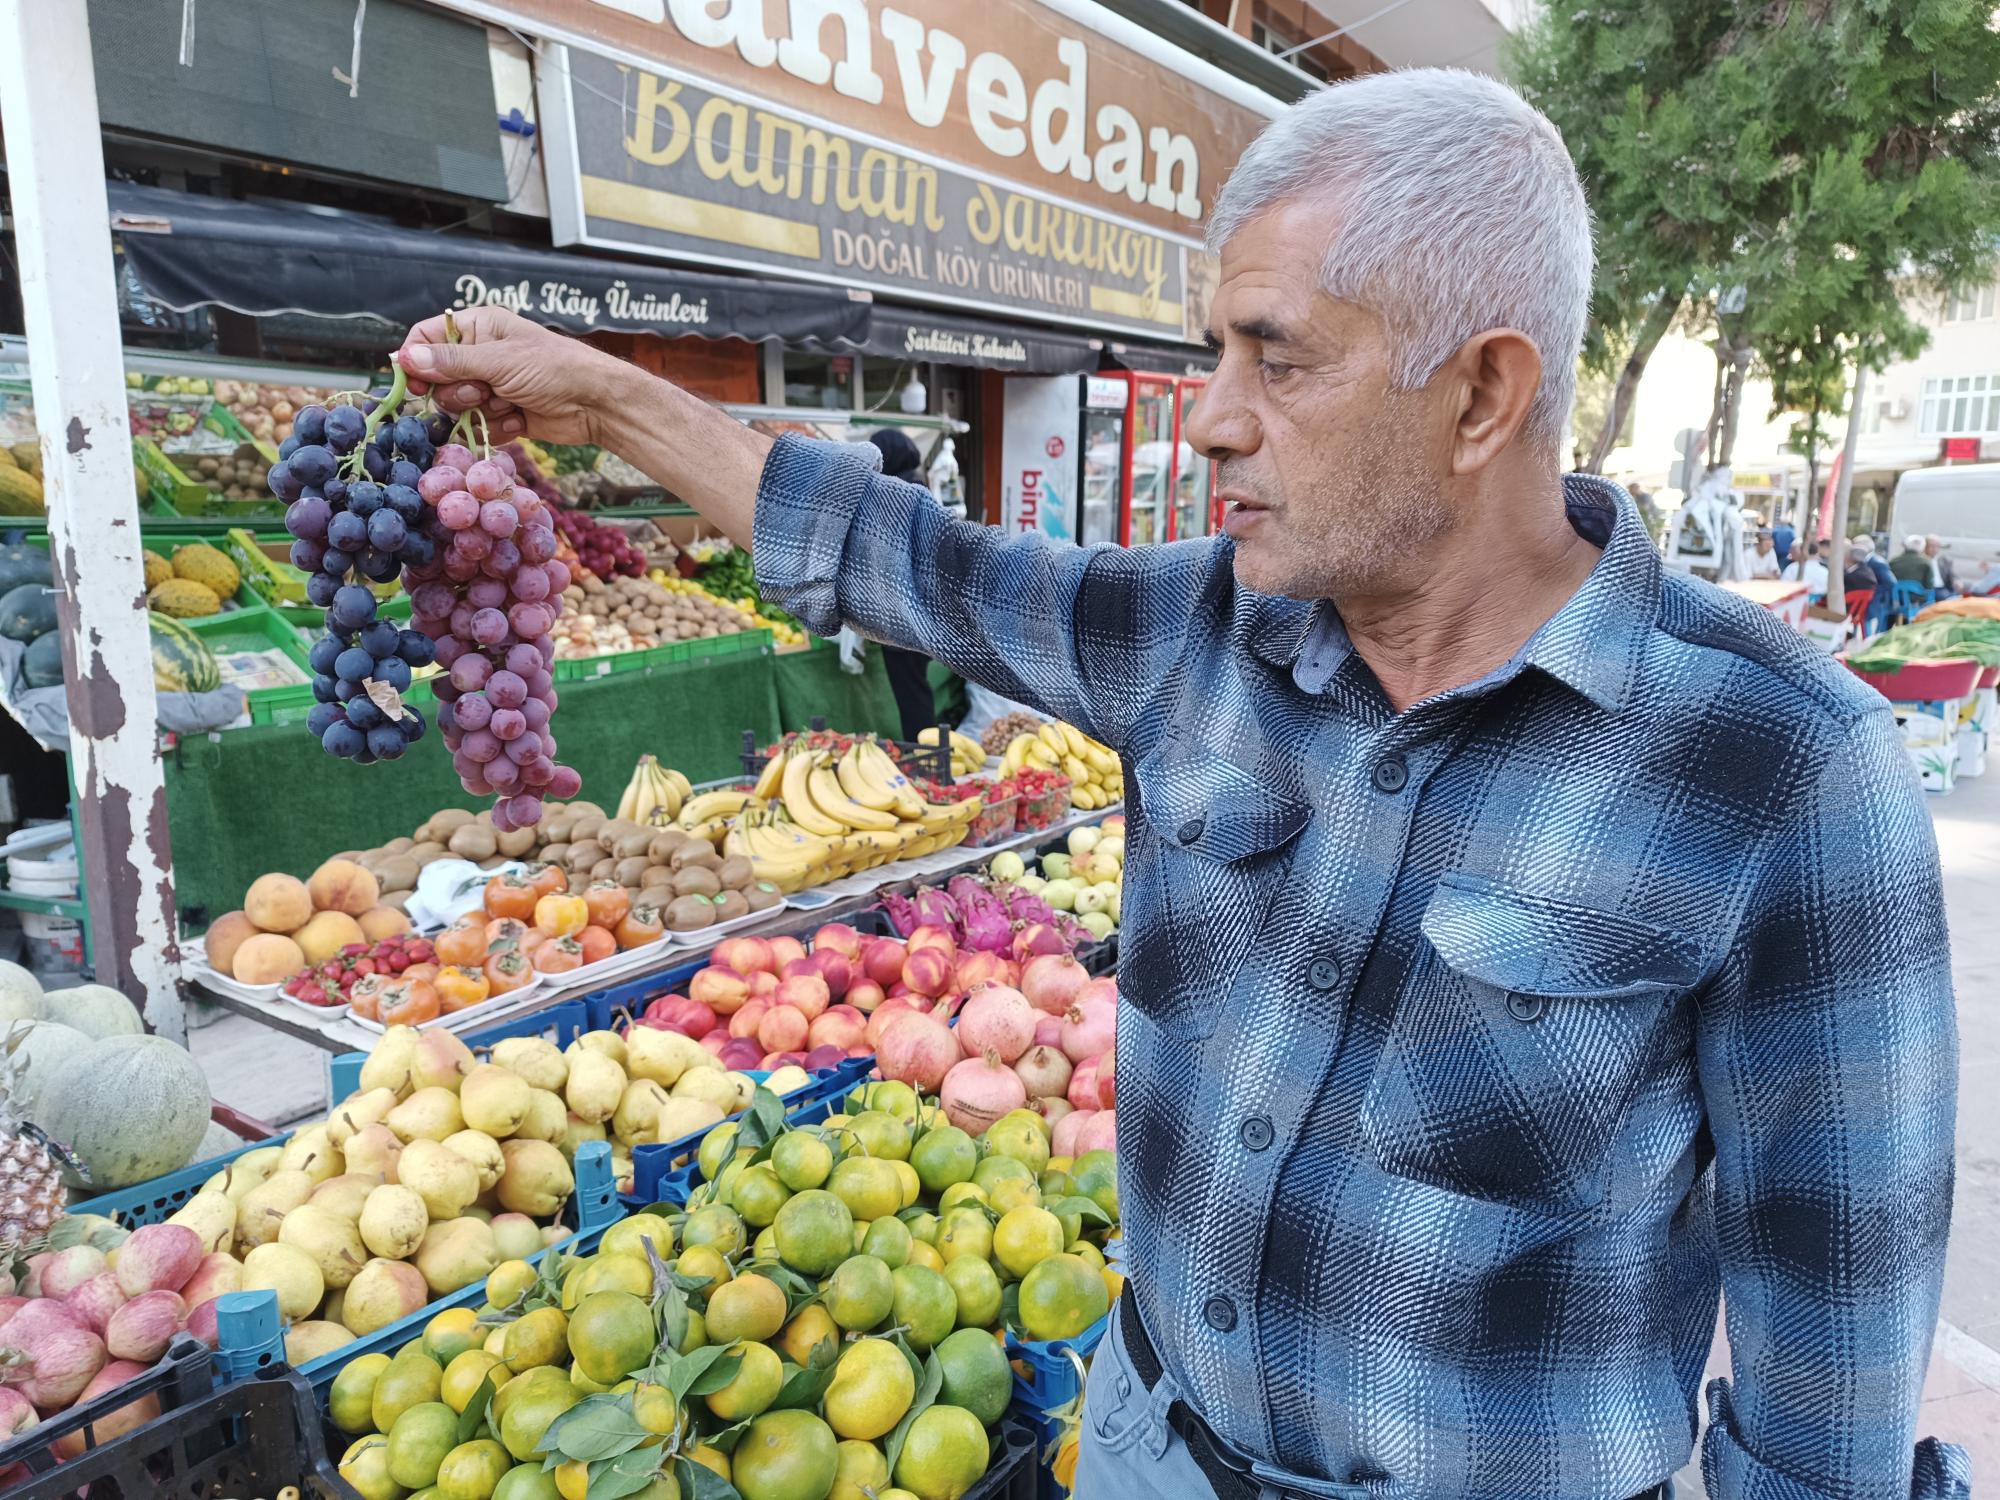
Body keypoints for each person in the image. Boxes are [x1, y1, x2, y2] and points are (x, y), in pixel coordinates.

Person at [391, 66, 1963, 1500]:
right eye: (1215, 353)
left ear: (1484, 397)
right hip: (1149, 1448)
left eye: (1276, 360)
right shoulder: (1190, 631)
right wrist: (609, 402)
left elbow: (1828, 1391)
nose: (1209, 420)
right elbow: (902, 557)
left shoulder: (1784, 772)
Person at [862, 428, 943, 742]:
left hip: (901, 613)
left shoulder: (894, 495)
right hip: (924, 610)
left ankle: (923, 752)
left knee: (910, 692)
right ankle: (928, 747)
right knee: (917, 685)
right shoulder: (920, 491)